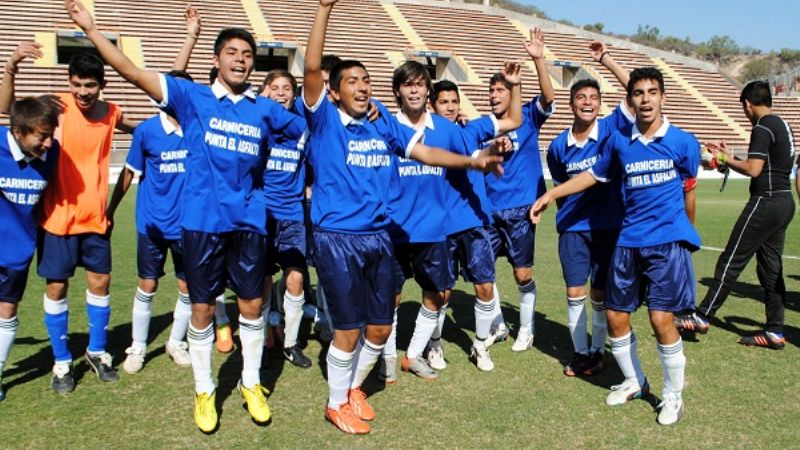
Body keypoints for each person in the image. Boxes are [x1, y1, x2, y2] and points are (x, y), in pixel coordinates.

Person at [64, 0, 307, 432]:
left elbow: (304, 126)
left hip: (250, 223)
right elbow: (135, 74)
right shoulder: (192, 97)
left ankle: (250, 382)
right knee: (200, 310)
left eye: (248, 55)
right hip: (200, 225)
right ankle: (204, 388)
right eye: (232, 52)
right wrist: (93, 31)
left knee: (252, 305)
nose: (241, 60)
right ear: (216, 60)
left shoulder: (263, 109)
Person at [304, 0, 503, 434]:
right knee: (350, 331)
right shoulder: (323, 122)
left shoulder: (382, 125)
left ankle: (353, 388)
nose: (360, 86)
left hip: (380, 238)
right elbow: (313, 67)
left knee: (378, 328)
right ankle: (336, 402)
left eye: (365, 80)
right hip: (337, 238)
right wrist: (323, 11)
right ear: (334, 91)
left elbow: (425, 151)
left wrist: (471, 163)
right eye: (351, 81)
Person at [531, 67, 700, 426]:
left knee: (659, 320)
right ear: (631, 99)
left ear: (663, 97)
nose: (645, 99)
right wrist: (551, 194)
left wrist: (688, 229)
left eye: (652, 92)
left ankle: (673, 395)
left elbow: (689, 188)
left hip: (665, 244)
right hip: (627, 241)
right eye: (638, 93)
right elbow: (592, 176)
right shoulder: (619, 141)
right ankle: (634, 381)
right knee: (614, 316)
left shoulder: (684, 142)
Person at [0, 41, 137, 394]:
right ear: (69, 81)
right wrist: (12, 66)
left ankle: (96, 351)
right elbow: (10, 114)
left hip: (95, 219)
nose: (82, 92)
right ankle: (62, 361)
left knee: (100, 284)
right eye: (76, 84)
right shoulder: (56, 107)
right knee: (57, 287)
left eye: (89, 85)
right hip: (57, 219)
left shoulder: (112, 112)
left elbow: (138, 129)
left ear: (101, 85)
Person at [379, 60, 521, 382]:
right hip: (394, 229)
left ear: (427, 90)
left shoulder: (447, 130)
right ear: (398, 91)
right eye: (407, 84)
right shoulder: (385, 126)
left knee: (438, 296)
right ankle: (386, 356)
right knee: (391, 297)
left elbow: (513, 119)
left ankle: (413, 355)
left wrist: (513, 85)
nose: (414, 89)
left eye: (420, 84)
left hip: (434, 229)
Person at [106, 6, 202, 374]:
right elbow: (128, 176)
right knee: (146, 284)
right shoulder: (147, 131)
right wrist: (110, 212)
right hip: (152, 224)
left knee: (186, 288)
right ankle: (138, 347)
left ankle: (176, 343)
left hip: (188, 224)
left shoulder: (197, 129)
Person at [676, 80, 796, 350]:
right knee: (770, 269)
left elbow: (754, 169)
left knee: (731, 259)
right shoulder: (783, 125)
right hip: (784, 202)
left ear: (747, 104)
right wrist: (730, 156)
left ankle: (702, 316)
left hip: (765, 202)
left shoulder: (762, 126)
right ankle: (775, 330)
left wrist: (722, 159)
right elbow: (769, 165)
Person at [545, 42, 634, 377]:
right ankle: (581, 351)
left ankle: (597, 351)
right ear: (571, 104)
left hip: (609, 226)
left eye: (593, 98)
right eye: (581, 97)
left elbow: (634, 89)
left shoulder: (611, 128)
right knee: (573, 292)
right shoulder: (558, 146)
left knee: (599, 294)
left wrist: (606, 60)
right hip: (573, 228)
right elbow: (561, 181)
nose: (587, 102)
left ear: (600, 104)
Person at [482, 27, 556, 354]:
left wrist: (538, 60)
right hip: (488, 209)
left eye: (502, 89)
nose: (497, 95)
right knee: (482, 272)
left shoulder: (528, 116)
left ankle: (527, 328)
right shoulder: (484, 126)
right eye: (493, 90)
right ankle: (498, 323)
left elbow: (549, 98)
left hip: (521, 208)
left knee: (521, 272)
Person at [0, 96, 61, 402]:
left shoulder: (53, 153)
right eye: (41, 135)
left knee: (7, 311)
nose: (49, 143)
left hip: (17, 251)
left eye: (51, 134)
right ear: (17, 132)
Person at [259, 70, 312, 368]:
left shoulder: (302, 128)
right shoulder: (259, 124)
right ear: (266, 91)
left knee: (296, 278)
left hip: (292, 213)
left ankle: (291, 343)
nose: (281, 93)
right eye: (275, 88)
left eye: (287, 88)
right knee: (264, 280)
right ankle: (266, 329)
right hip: (263, 215)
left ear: (294, 93)